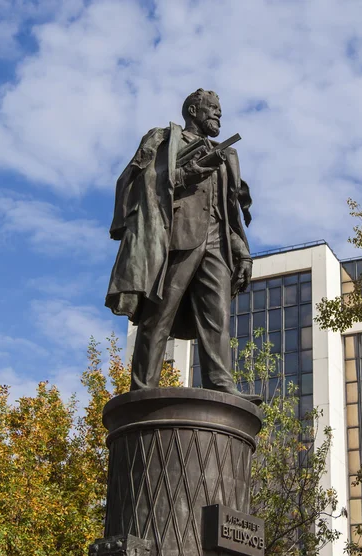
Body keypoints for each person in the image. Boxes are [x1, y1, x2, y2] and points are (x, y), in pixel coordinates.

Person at [106, 88, 259, 402]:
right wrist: (196, 168)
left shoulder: (226, 153)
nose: (218, 114)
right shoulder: (165, 141)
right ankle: (143, 387)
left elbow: (227, 208)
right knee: (159, 312)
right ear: (193, 109)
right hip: (179, 235)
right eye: (213, 108)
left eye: (220, 109)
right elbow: (148, 184)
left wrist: (241, 249)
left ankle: (221, 386)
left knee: (218, 319)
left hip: (217, 243)